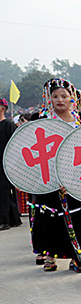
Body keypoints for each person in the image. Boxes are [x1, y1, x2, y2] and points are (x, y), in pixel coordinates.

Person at [31, 79, 81, 272]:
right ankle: (50, 255)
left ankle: (79, 258)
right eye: (55, 96)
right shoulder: (41, 120)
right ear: (49, 98)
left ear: (71, 98)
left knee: (79, 217)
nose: (60, 100)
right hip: (49, 178)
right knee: (50, 217)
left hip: (77, 178)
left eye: (64, 96)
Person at [0, 98, 21, 230]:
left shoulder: (8, 125)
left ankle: (4, 220)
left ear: (2, 108)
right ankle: (14, 218)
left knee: (3, 192)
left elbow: (14, 145)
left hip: (5, 163)